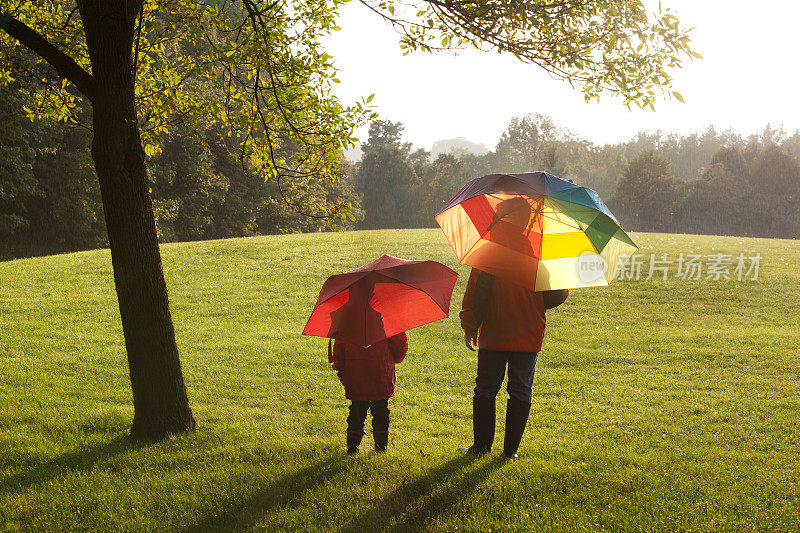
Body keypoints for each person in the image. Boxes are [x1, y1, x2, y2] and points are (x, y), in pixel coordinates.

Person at [459, 268, 568, 458]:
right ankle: (510, 452)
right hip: (529, 332)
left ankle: (481, 447)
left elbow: (474, 292)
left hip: (495, 332)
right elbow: (558, 295)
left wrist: (470, 326)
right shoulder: (540, 257)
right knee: (521, 390)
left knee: (485, 388)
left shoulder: (489, 253)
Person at [330, 331, 408, 454]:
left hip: (356, 375)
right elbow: (399, 345)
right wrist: (396, 358)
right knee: (381, 411)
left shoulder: (347, 323)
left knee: (356, 411)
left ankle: (352, 447)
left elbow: (339, 352)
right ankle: (380, 447)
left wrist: (341, 369)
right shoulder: (389, 321)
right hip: (381, 374)